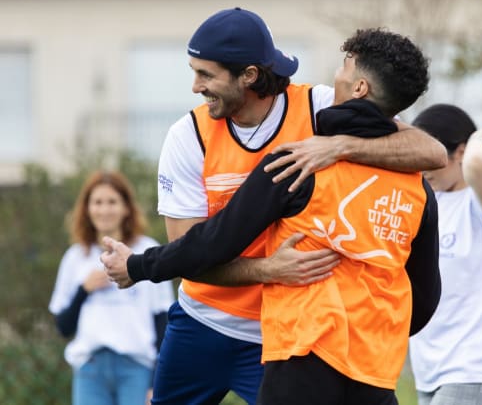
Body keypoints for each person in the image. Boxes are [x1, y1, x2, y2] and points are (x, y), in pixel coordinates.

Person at [102, 27, 442, 405]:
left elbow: (211, 242)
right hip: (370, 365)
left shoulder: (297, 161)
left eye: (346, 65)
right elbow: (425, 297)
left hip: (299, 352)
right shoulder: (418, 189)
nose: (337, 72)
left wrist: (137, 266)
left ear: (359, 88)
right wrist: (376, 329)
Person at [408, 104, 482, 405]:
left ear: (459, 152)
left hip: (479, 372)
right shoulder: (425, 203)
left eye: (432, 157)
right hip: (432, 375)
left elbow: (476, 166)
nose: (423, 167)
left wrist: (476, 144)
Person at [48, 171, 175, 405]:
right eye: (97, 202)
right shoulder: (75, 257)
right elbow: (63, 327)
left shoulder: (147, 251)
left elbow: (163, 323)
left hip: (136, 368)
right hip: (90, 369)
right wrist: (83, 290)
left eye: (112, 202)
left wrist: (156, 382)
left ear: (126, 207)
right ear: (87, 209)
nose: (104, 210)